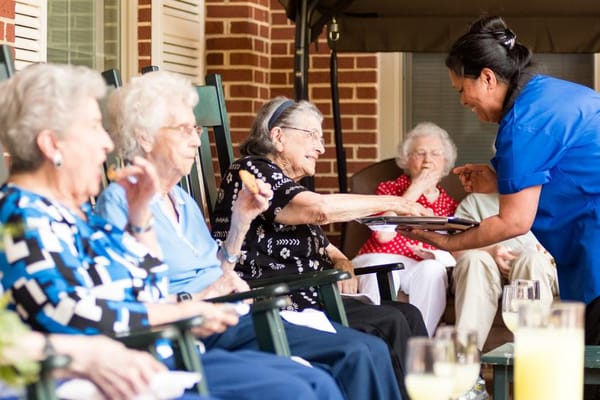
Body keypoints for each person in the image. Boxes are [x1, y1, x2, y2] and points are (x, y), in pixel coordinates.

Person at [0, 63, 346, 400]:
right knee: (296, 390)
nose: (107, 144)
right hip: (114, 373)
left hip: (156, 355)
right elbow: (68, 312)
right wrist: (183, 310)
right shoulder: (21, 217)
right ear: (51, 144)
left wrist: (139, 219)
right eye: (93, 127)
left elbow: (143, 292)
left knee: (312, 383)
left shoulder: (69, 216)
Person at [95, 70, 404, 400]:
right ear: (144, 136)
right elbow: (134, 303)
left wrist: (241, 221)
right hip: (195, 327)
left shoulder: (181, 200)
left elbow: (221, 269)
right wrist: (207, 295)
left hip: (231, 312)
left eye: (196, 129)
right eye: (185, 130)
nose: (196, 141)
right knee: (353, 353)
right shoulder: (121, 203)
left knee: (366, 347)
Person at [210, 96, 430, 399]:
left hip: (312, 291)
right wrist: (394, 203)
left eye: (322, 138)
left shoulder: (286, 182)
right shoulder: (253, 171)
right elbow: (319, 210)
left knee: (408, 314)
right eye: (312, 135)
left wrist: (339, 256)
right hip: (281, 299)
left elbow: (314, 233)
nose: (321, 147)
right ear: (278, 135)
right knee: (388, 323)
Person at [399, 15, 600, 346]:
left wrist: (449, 243)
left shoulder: (523, 122)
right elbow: (572, 163)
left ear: (488, 78)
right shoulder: (547, 92)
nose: (462, 100)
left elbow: (514, 221)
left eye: (462, 89)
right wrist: (499, 178)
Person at [352, 122, 458, 336]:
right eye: (420, 154)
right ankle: (376, 341)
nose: (428, 160)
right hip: (379, 256)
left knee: (433, 270)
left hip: (418, 264)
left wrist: (435, 255)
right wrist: (415, 189)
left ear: (445, 162)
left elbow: (454, 249)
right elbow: (383, 235)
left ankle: (417, 344)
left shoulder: (449, 205)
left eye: (435, 154)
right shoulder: (389, 190)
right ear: (407, 160)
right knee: (380, 268)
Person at [452, 193, 559, 349]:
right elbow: (457, 247)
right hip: (491, 269)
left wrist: (552, 255)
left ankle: (534, 358)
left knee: (531, 260)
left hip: (541, 267)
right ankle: (463, 358)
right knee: (473, 260)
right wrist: (492, 251)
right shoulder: (476, 202)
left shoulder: (559, 197)